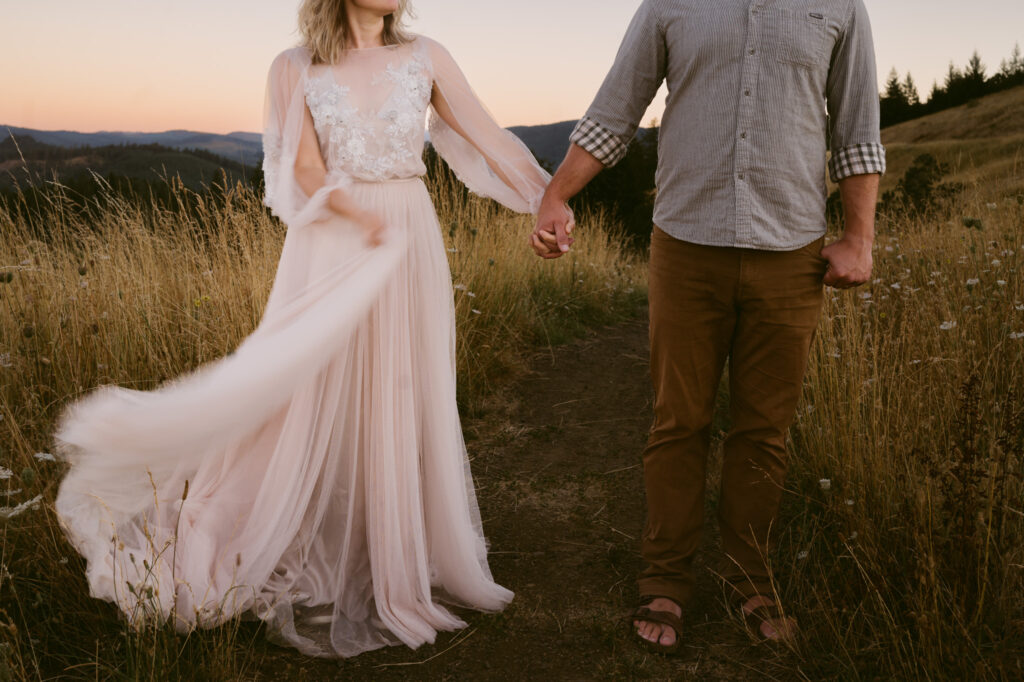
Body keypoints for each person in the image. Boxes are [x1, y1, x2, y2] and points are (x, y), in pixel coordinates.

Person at [52, 0, 554, 658]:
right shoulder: (294, 66)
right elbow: (304, 168)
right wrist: (360, 217)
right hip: (335, 237)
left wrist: (546, 200)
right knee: (299, 386)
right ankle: (274, 524)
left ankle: (392, 546)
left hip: (408, 236)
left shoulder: (426, 56)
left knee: (400, 384)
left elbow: (488, 137)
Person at [531, 0, 884, 652]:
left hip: (791, 255)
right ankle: (665, 580)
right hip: (686, 248)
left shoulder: (841, 8)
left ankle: (751, 579)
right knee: (678, 421)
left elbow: (859, 130)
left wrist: (858, 237)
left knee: (763, 430)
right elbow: (615, 111)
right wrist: (557, 194)